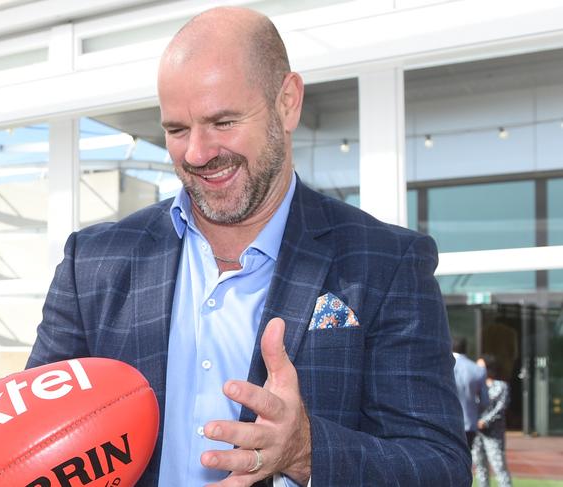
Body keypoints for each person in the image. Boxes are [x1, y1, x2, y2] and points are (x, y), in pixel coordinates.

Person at [27, 6, 471, 486]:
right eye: (176, 129)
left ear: (287, 102)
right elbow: (30, 438)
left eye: (222, 122)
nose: (197, 153)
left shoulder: (385, 264)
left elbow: (438, 468)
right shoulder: (92, 264)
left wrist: (306, 450)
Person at [473, 355, 513, 487]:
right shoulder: (475, 385)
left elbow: (500, 408)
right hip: (476, 433)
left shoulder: (501, 386)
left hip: (493, 434)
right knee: (480, 468)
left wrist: (484, 421)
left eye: (481, 367)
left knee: (499, 467)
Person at [452, 336, 489, 449]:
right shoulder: (477, 369)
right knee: (466, 456)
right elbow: (484, 400)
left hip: (447, 421)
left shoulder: (442, 366)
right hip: (469, 420)